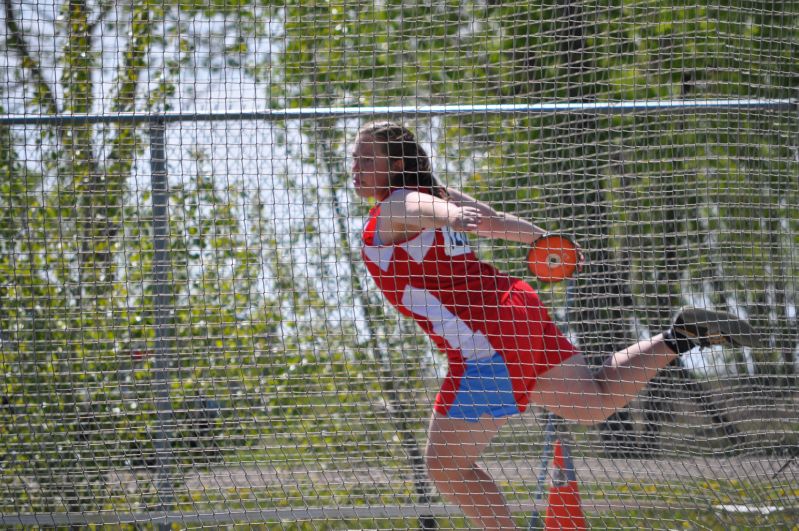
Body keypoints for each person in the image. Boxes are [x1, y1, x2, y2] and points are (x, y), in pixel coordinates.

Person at [350, 121, 761, 530]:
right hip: (518, 307)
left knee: (445, 467)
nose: (356, 167)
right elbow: (494, 220)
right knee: (595, 400)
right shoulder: (433, 193)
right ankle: (679, 337)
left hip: (488, 340)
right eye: (354, 158)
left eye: (367, 158)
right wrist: (545, 241)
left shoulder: (396, 205)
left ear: (398, 162)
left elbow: (422, 209)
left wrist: (452, 215)